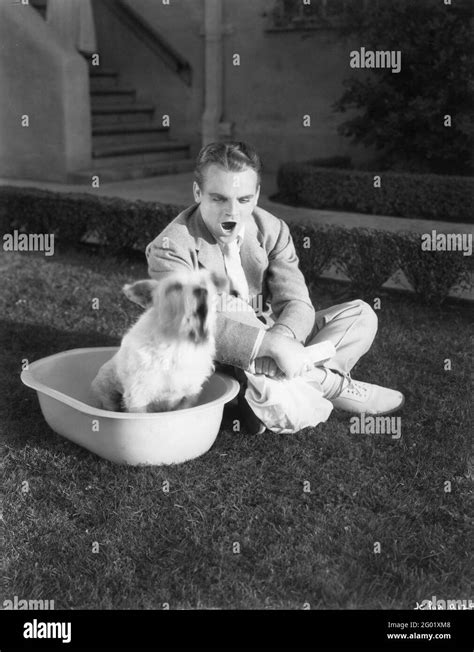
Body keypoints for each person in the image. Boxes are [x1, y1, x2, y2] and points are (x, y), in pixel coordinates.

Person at [145, 141, 404, 433]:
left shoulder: (273, 229)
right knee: (232, 308)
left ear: (256, 195)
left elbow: (297, 302)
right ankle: (328, 383)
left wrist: (283, 337)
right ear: (197, 193)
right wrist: (269, 345)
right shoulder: (170, 247)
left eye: (243, 200)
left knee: (361, 314)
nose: (232, 213)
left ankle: (286, 384)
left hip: (273, 340)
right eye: (218, 199)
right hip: (219, 357)